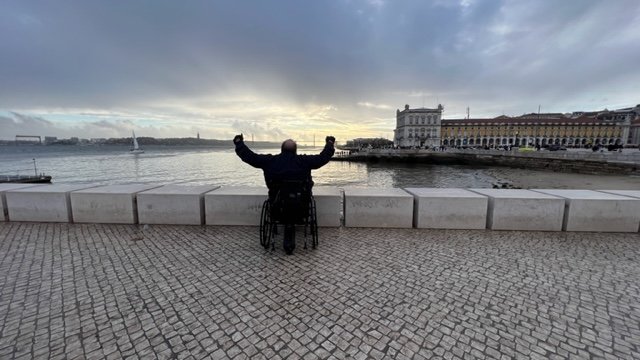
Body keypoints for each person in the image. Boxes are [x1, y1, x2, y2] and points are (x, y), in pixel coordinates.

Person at [233, 134, 335, 254]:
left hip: (277, 209)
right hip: (301, 209)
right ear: (295, 150)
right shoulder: (304, 162)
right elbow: (322, 158)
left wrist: (239, 143)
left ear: (281, 149)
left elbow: (251, 157)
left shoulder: (270, 161)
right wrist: (329, 143)